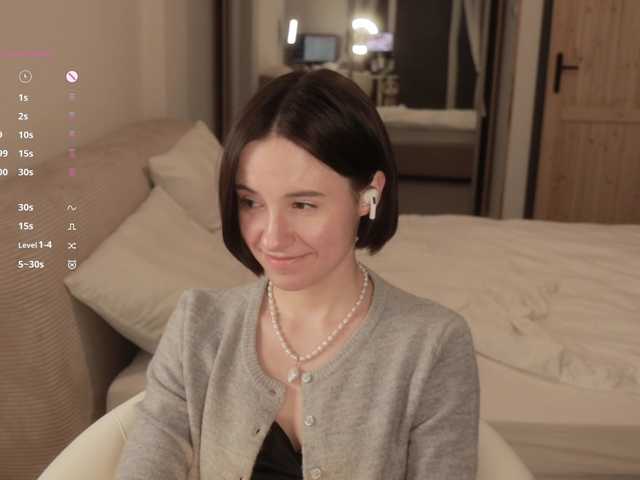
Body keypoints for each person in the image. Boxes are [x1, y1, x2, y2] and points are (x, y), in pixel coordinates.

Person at [116, 69, 479, 480]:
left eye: (303, 205)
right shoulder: (196, 326)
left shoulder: (433, 345)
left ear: (369, 196)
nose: (272, 237)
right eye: (251, 202)